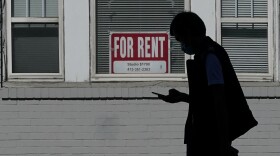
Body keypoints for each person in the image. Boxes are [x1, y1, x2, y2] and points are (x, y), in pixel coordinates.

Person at [155, 11, 258, 156]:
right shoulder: (205, 55)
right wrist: (182, 97)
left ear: (189, 34)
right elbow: (207, 100)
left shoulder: (210, 57)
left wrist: (223, 146)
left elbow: (219, 102)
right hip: (208, 137)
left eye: (181, 40)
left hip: (209, 140)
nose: (182, 45)